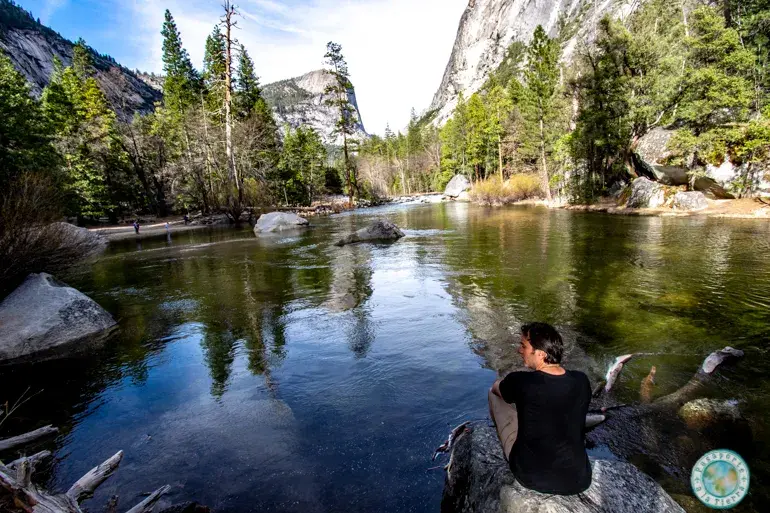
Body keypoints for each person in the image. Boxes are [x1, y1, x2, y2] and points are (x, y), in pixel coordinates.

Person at [488, 322, 592, 495]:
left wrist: (505, 385)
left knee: (493, 394)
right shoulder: (581, 380)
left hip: (530, 476)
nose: (519, 350)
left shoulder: (522, 381)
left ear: (541, 353)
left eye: (524, 346)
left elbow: (495, 388)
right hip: (579, 480)